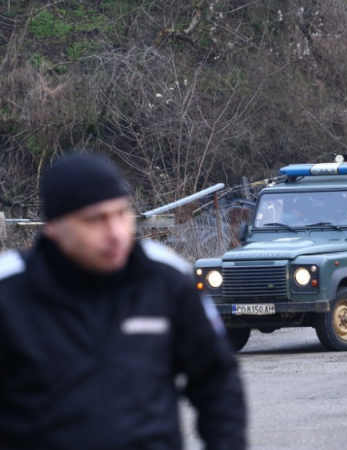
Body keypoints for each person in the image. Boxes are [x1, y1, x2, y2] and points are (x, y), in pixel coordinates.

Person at [0, 153, 247, 449]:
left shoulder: (166, 278)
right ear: (54, 227)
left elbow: (217, 380)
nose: (115, 233)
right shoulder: (9, 291)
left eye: (121, 214)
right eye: (95, 220)